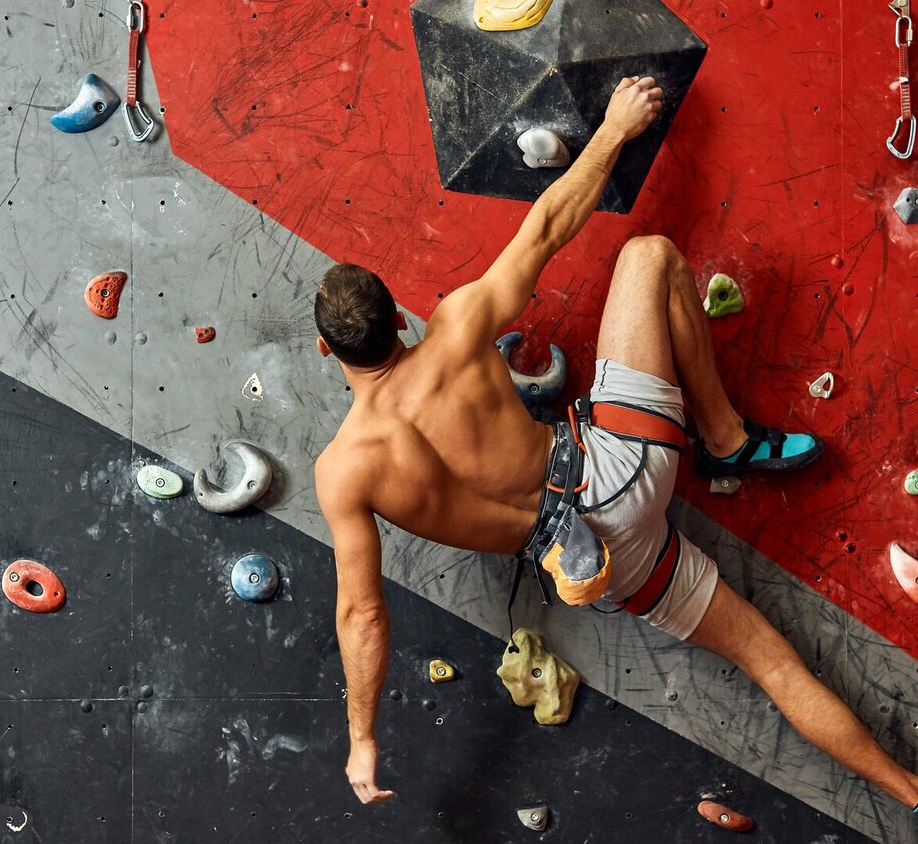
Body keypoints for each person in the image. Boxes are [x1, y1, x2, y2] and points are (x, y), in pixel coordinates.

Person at [312, 76, 918, 811]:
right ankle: (724, 440)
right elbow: (545, 228)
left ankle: (908, 791)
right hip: (622, 463)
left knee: (772, 664)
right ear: (397, 323)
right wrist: (615, 128)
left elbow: (363, 614)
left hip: (604, 563)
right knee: (649, 259)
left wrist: (365, 739)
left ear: (326, 349)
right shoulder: (457, 326)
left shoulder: (344, 471)